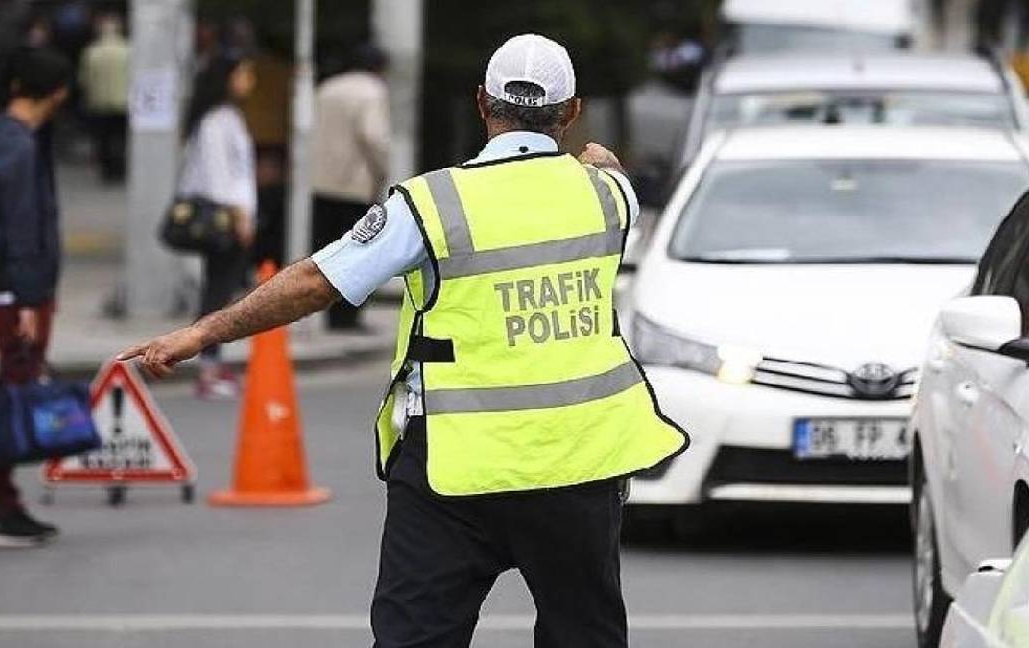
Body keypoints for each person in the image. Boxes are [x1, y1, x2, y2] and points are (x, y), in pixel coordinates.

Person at [119, 34, 688, 647]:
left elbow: (317, 281)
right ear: (572, 111)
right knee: (586, 637)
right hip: (580, 465)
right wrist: (601, 164)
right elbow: (609, 175)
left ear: (481, 103)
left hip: (454, 470)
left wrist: (205, 330)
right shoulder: (609, 196)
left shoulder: (430, 204)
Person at [0, 47, 71, 548]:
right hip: (13, 293)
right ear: (59, 93)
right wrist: (29, 298)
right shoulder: (17, 146)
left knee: (13, 390)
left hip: (9, 289)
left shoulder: (6, 137)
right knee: (13, 395)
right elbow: (20, 228)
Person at [175, 54, 257, 399]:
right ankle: (208, 367)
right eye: (243, 71)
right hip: (224, 219)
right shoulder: (215, 122)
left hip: (233, 216)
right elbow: (218, 176)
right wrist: (239, 216)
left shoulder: (228, 117)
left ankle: (213, 361)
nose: (249, 78)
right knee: (217, 292)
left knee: (221, 290)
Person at [310, 43, 390, 331]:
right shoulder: (372, 91)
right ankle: (348, 317)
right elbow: (373, 135)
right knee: (358, 253)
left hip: (322, 182)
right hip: (356, 184)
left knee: (328, 251)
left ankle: (330, 314)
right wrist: (382, 169)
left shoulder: (327, 88)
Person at [78, 13, 129, 183]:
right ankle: (120, 168)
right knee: (121, 137)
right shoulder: (128, 50)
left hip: (99, 102)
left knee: (103, 139)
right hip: (123, 102)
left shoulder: (91, 52)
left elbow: (84, 79)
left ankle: (107, 170)